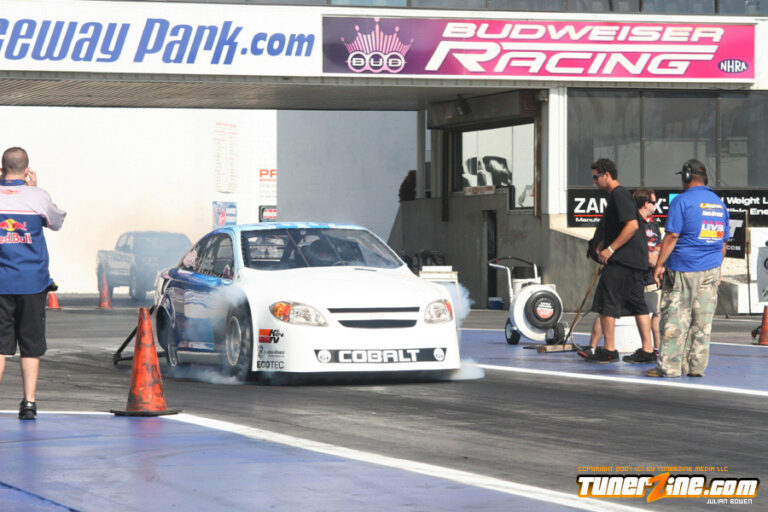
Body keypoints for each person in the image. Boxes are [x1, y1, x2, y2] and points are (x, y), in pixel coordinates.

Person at [0, 147, 66, 419]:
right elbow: (57, 222)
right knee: (31, 345)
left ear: (2, 170)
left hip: (1, 283)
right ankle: (29, 403)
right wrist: (35, 189)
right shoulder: (38, 197)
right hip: (32, 283)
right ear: (27, 170)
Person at [647, 160, 728, 378]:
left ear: (686, 177)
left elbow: (672, 236)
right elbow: (723, 242)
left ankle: (670, 367)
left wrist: (659, 264)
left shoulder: (682, 201)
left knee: (675, 318)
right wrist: (718, 270)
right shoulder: (718, 204)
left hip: (683, 267)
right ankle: (695, 367)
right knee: (702, 323)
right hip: (710, 269)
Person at [583, 158, 653, 363]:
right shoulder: (620, 196)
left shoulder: (619, 195)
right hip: (636, 261)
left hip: (623, 261)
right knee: (638, 304)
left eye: (596, 177)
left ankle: (609, 349)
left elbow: (631, 225)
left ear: (606, 175)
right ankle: (648, 350)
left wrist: (610, 249)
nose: (594, 181)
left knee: (607, 303)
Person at [623, 189, 663, 363]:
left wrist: (657, 257)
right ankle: (596, 346)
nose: (656, 206)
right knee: (609, 310)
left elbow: (660, 244)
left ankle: (656, 350)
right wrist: (646, 256)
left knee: (657, 312)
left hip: (652, 276)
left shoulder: (653, 224)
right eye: (654, 202)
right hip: (633, 274)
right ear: (646, 204)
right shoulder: (632, 222)